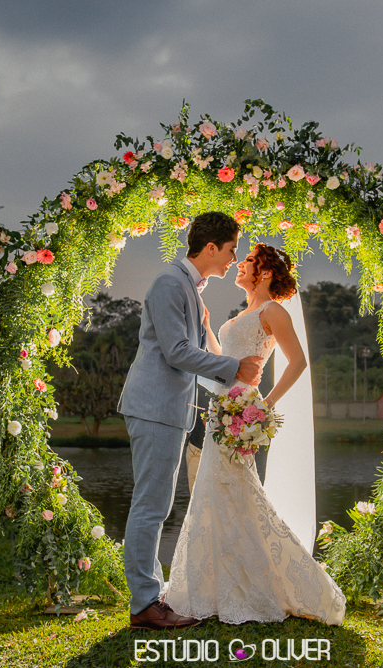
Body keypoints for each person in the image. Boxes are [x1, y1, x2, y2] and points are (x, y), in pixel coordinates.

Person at [165, 243, 347, 626]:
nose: (239, 265)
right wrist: (209, 325)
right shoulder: (242, 314)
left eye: (246, 261)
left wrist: (265, 404)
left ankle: (264, 585)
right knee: (215, 494)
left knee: (239, 493)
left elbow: (298, 361)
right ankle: (216, 585)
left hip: (241, 412)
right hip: (220, 409)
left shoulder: (272, 311)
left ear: (264, 273)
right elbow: (221, 360)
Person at [118, 211, 264, 630]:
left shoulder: (189, 289)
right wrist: (235, 367)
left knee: (156, 505)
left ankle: (150, 594)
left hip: (170, 411)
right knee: (151, 506)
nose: (234, 259)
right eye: (231, 249)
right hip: (154, 409)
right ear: (211, 247)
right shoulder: (170, 284)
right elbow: (178, 352)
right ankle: (145, 604)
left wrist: (234, 392)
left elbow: (193, 363)